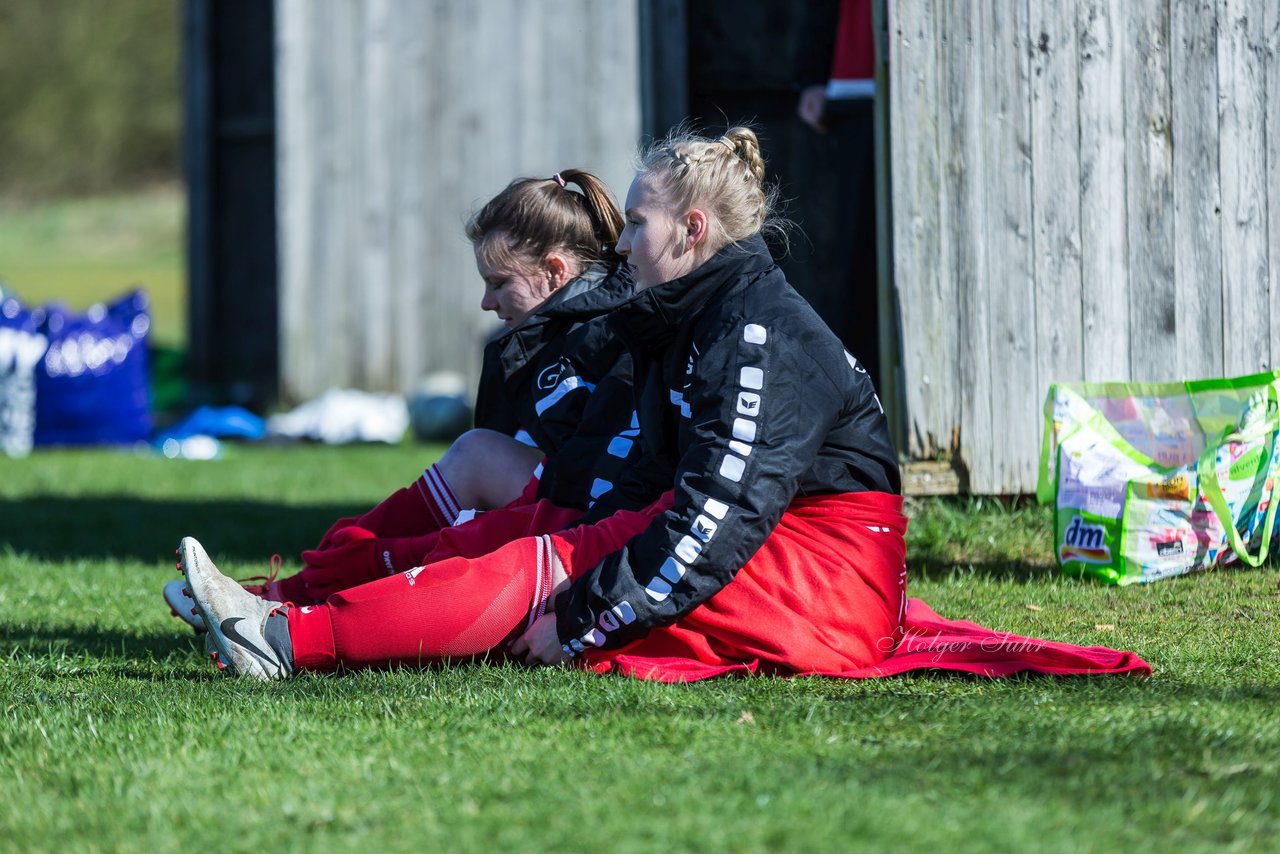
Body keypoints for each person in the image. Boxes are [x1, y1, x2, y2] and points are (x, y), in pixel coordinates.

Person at [177, 125, 912, 681]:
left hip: (826, 579)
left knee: (546, 570)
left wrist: (583, 616)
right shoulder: (696, 317)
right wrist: (568, 542)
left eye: (636, 223)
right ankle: (282, 613)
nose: (621, 244)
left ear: (692, 231)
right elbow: (658, 486)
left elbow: (721, 517)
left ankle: (280, 641)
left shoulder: (756, 335)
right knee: (534, 547)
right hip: (773, 547)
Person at [164, 168, 644, 623]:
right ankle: (297, 589)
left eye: (499, 284)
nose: (487, 302)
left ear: (555, 271)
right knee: (469, 464)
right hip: (571, 515)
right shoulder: (552, 334)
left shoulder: (595, 340)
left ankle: (295, 601)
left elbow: (584, 482)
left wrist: (422, 546)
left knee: (467, 476)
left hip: (590, 536)